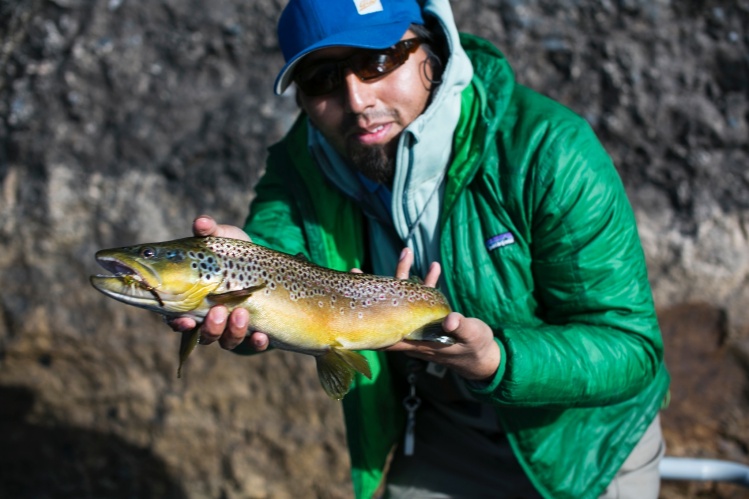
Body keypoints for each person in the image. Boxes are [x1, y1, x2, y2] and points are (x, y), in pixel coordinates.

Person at [171, 0, 670, 497]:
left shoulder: (549, 150)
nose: (357, 97)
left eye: (378, 60)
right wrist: (238, 262)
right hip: (442, 430)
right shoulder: (298, 164)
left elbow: (631, 346)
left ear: (434, 47)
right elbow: (275, 250)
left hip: (584, 446)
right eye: (321, 78)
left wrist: (497, 360)